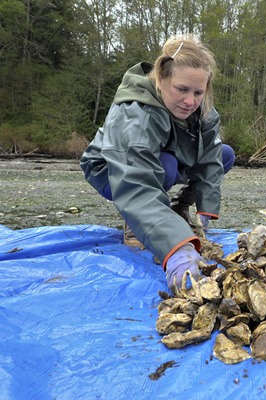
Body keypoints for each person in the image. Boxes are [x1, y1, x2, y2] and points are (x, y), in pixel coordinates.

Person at [80, 35, 235, 295]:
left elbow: (209, 160)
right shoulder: (136, 112)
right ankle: (136, 222)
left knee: (224, 154)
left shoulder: (202, 111)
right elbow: (136, 182)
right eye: (182, 89)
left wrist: (206, 210)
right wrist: (177, 247)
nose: (190, 101)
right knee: (166, 165)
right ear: (161, 78)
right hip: (112, 169)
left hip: (164, 158)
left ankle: (179, 210)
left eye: (198, 92)